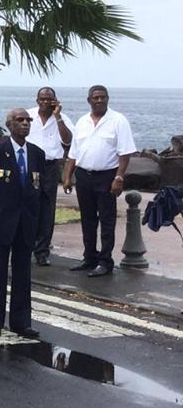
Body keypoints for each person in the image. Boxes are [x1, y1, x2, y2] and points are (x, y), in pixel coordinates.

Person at [0, 108, 45, 338]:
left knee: (23, 274)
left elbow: (40, 193)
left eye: (28, 120)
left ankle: (21, 322)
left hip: (26, 223)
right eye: (19, 120)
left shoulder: (36, 154)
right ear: (9, 125)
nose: (25, 123)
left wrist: (41, 225)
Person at [62, 85, 137, 277]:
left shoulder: (118, 120)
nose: (100, 100)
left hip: (107, 176)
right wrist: (67, 177)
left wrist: (119, 177)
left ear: (108, 99)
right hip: (84, 176)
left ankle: (105, 261)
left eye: (103, 97)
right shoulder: (82, 121)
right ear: (89, 100)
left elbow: (125, 153)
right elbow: (73, 153)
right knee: (87, 219)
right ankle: (89, 258)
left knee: (106, 220)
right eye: (96, 97)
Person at [25, 87, 74, 266]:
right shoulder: (28, 115)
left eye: (49, 99)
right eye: (43, 99)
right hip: (30, 166)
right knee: (28, 205)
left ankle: (42, 251)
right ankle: (25, 246)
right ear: (37, 100)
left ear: (55, 101)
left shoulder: (62, 118)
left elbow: (68, 141)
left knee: (47, 209)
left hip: (50, 167)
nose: (46, 102)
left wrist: (58, 117)